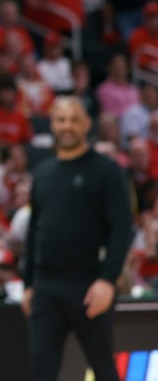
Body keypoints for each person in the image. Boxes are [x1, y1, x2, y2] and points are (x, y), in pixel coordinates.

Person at [21, 97, 134, 381]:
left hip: (89, 284)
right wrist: (29, 284)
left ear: (86, 124)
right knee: (39, 370)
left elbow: (122, 228)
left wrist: (108, 279)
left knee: (104, 369)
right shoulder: (43, 173)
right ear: (52, 124)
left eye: (74, 119)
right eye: (61, 120)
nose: (67, 126)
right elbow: (35, 231)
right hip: (46, 287)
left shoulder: (106, 171)